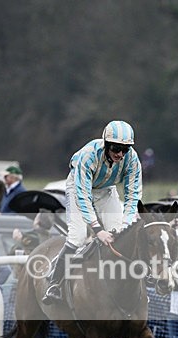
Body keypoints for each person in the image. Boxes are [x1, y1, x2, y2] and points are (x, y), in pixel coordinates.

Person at [43, 120, 143, 304]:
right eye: (115, 148)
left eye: (125, 149)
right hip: (79, 188)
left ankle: (124, 285)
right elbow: (82, 196)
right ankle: (55, 282)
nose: (120, 154)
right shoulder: (89, 155)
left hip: (106, 190)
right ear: (106, 144)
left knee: (119, 235)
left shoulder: (132, 160)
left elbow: (133, 195)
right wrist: (98, 230)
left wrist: (126, 224)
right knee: (78, 237)